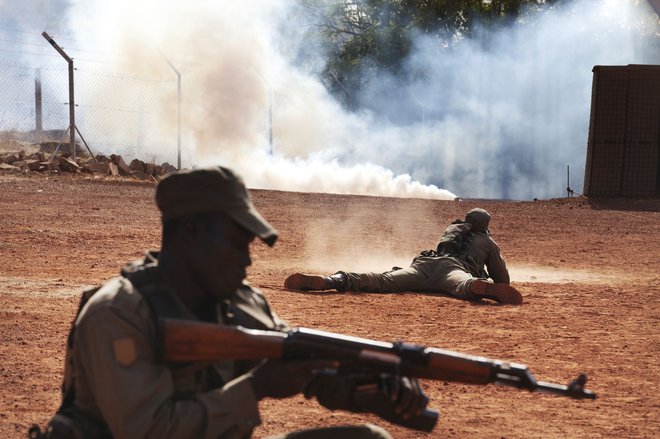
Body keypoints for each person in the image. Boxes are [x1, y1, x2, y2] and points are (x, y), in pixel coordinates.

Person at [33, 166, 430, 439]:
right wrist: (254, 388)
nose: (247, 259)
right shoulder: (119, 312)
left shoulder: (241, 301)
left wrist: (375, 389)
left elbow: (309, 372)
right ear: (190, 231)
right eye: (236, 243)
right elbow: (147, 431)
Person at [284, 208, 523, 305]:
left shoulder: (454, 229)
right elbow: (503, 279)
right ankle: (478, 287)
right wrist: (493, 282)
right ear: (485, 225)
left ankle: (331, 281)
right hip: (453, 270)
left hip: (423, 265)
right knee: (463, 285)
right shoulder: (487, 241)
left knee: (382, 281)